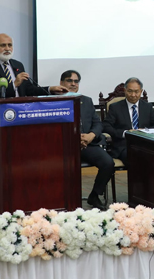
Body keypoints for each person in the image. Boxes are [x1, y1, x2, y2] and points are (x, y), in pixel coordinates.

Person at [60, 70, 113, 210]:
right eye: (69, 81)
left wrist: (91, 136)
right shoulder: (53, 101)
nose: (73, 84)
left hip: (87, 143)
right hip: (64, 145)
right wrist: (74, 138)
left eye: (76, 81)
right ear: (61, 83)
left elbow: (98, 123)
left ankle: (94, 195)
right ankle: (62, 200)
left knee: (108, 163)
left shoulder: (86, 100)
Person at [0, 33, 67, 98]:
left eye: (10, 45)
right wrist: (14, 84)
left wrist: (50, 89)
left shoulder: (17, 65)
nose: (7, 48)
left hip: (21, 110)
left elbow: (29, 90)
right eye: (3, 45)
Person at [102, 77, 154, 166]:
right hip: (124, 146)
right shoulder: (115, 107)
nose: (133, 95)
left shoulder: (147, 107)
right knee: (137, 158)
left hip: (146, 145)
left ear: (141, 91)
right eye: (130, 91)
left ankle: (151, 180)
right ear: (125, 90)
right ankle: (138, 180)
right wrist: (125, 133)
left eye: (136, 91)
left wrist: (146, 131)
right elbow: (106, 126)